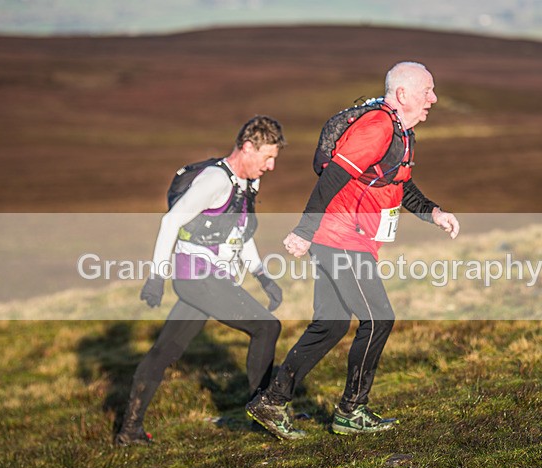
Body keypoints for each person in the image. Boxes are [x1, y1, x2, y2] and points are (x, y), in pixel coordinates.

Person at [246, 62, 460, 440]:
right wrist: (304, 231)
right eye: (427, 91)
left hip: (350, 239)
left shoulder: (402, 133)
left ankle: (272, 401)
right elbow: (333, 177)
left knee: (330, 325)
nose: (434, 98)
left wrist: (434, 213)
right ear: (403, 94)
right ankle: (351, 410)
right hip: (339, 237)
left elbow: (399, 185)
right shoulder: (377, 126)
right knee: (378, 319)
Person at [115, 115, 287, 446]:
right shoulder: (215, 181)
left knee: (165, 350)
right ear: (247, 147)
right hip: (197, 277)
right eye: (267, 157)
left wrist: (263, 276)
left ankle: (129, 429)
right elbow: (171, 222)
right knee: (267, 327)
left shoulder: (247, 182)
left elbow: (239, 233)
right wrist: (156, 276)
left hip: (208, 279)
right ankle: (265, 413)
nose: (271, 166)